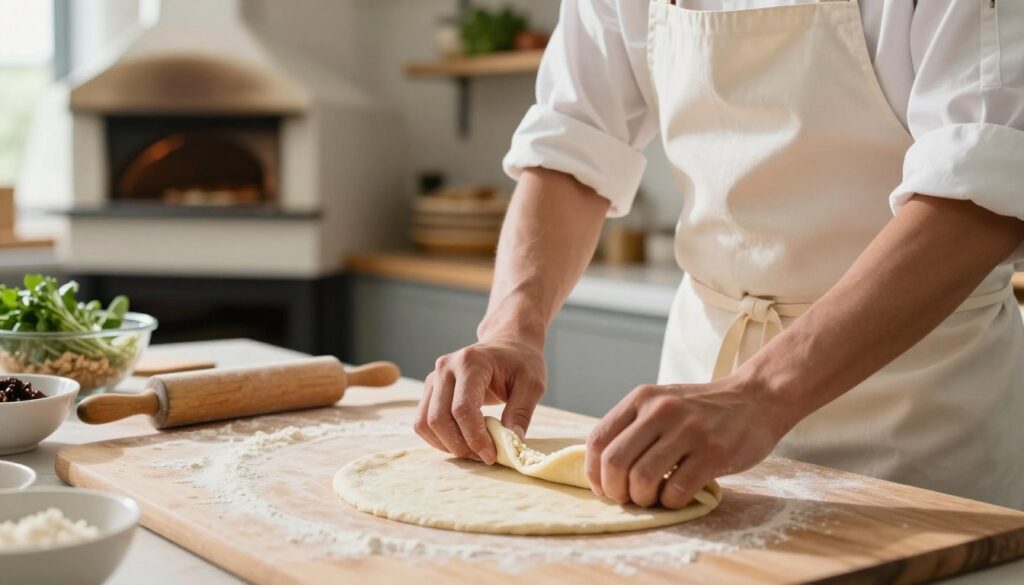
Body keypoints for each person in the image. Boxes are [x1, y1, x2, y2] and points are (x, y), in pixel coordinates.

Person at [414, 0, 1024, 510]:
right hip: (698, 410)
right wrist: (511, 328)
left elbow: (979, 193)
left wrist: (759, 394)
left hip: (920, 419)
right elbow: (571, 146)